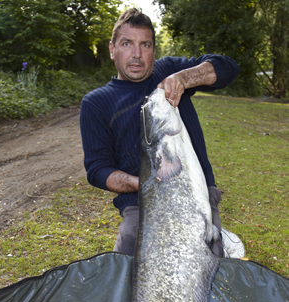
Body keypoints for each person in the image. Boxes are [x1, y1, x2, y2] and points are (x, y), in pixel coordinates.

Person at [80, 8, 240, 257]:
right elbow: (98, 170)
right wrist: (146, 182)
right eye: (126, 44)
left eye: (145, 45)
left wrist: (184, 78)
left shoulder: (167, 72)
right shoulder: (96, 102)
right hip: (140, 204)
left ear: (154, 51)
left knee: (206, 265)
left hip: (196, 194)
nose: (136, 54)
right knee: (126, 267)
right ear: (112, 50)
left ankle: (219, 240)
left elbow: (228, 68)